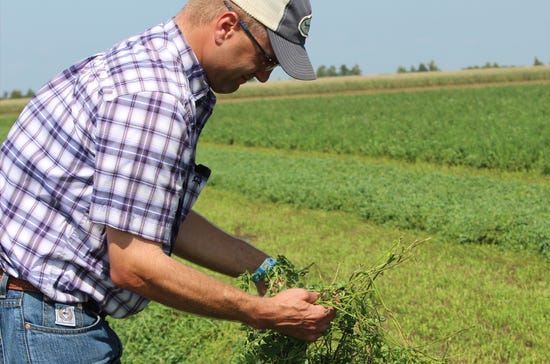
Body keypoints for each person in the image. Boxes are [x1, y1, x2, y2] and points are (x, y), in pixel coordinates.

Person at [0, 0, 334, 362]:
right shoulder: (156, 96)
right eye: (266, 59)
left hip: (26, 309)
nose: (264, 76)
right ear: (226, 26)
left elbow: (146, 214)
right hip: (47, 324)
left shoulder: (145, 63)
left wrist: (263, 267)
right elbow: (134, 265)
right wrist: (259, 312)